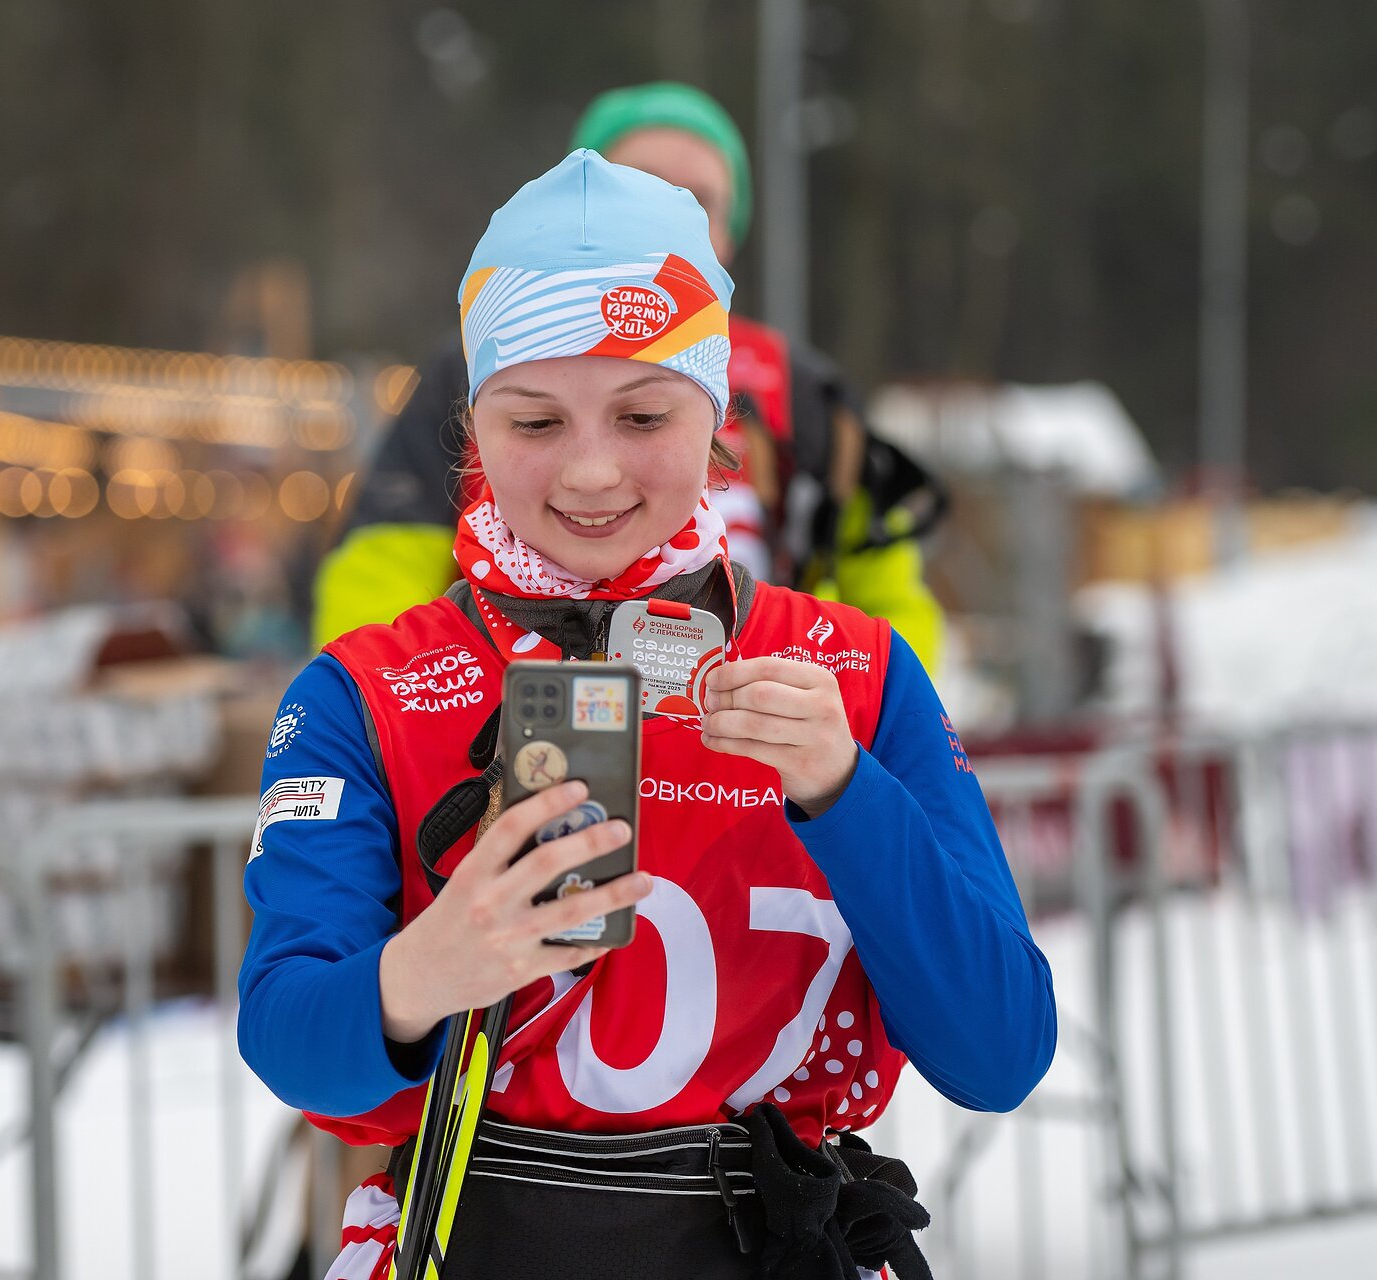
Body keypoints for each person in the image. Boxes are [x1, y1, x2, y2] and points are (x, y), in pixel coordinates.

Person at [240, 152, 1053, 1279]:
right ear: (472, 428)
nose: (590, 471)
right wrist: (423, 972)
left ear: (716, 415)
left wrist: (846, 795)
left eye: (642, 414)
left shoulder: (851, 673)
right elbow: (286, 1036)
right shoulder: (366, 690)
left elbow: (1001, 1049)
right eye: (535, 421)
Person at [313, 82, 948, 672]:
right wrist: (418, 713)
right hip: (515, 720)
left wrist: (829, 724)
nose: (593, 471)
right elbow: (378, 576)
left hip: (746, 726)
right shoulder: (479, 365)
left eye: (700, 202)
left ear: (731, 231)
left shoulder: (800, 388)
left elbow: (891, 611)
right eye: (539, 422)